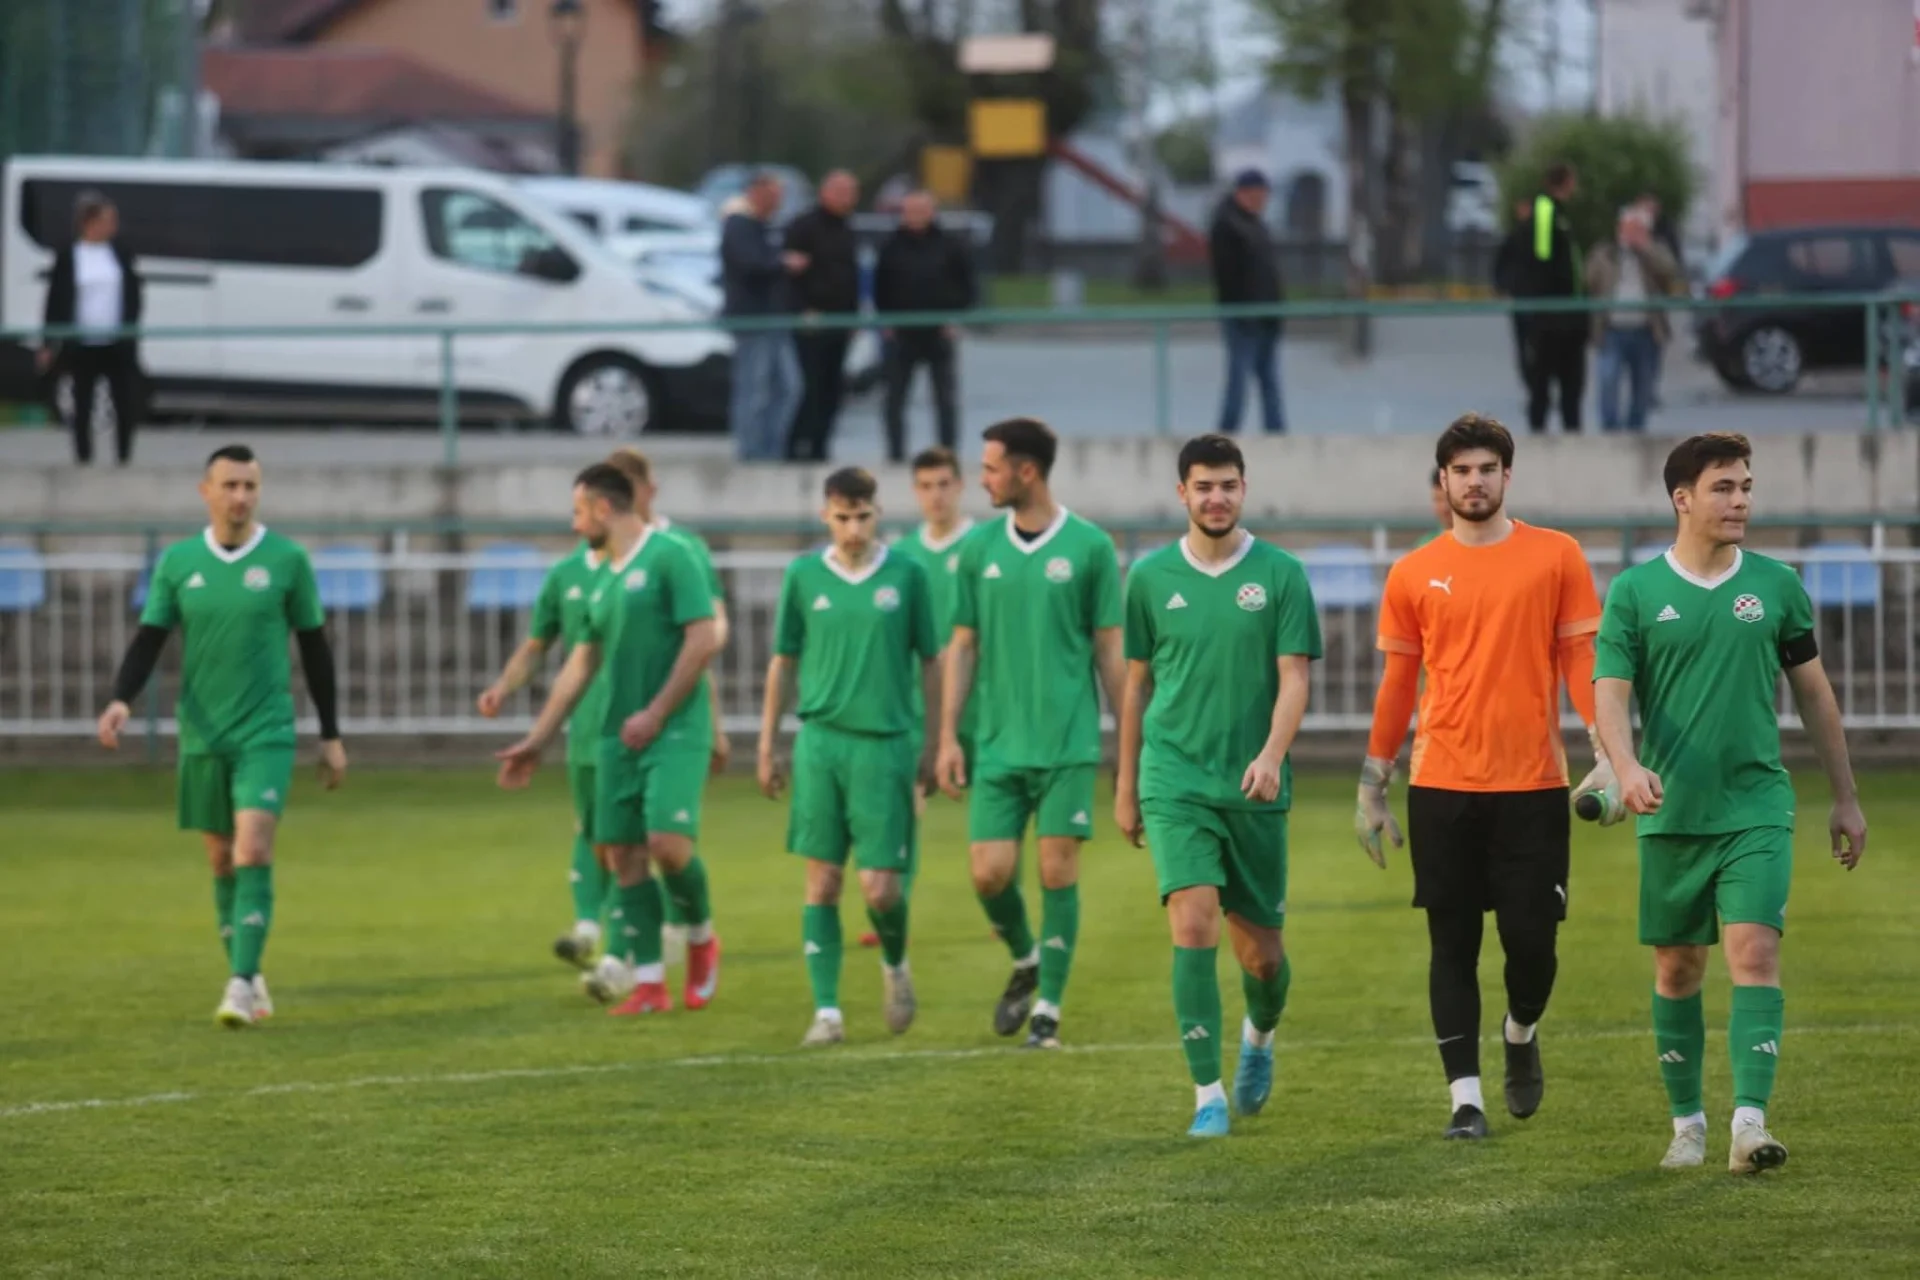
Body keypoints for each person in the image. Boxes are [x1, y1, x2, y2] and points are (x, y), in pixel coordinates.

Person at [1593, 432, 1866, 1174]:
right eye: (1724, 487)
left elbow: (1815, 696)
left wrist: (1845, 797)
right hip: (1670, 812)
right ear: (1682, 499)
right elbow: (1609, 695)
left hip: (1757, 807)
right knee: (1678, 970)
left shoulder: (1776, 585)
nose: (1741, 499)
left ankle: (1750, 1125)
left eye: (1746, 486)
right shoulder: (1635, 592)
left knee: (1755, 951)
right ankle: (1688, 1126)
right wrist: (1626, 765)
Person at [1355, 413, 1609, 1141]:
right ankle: (1464, 1101)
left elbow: (1580, 661)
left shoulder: (1557, 556)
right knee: (1452, 945)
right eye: (1461, 471)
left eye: (1487, 469)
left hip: (1533, 787)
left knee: (1533, 946)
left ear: (1507, 475)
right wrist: (1373, 785)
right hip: (1442, 786)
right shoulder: (1412, 572)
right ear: (1443, 481)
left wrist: (1608, 747)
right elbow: (1397, 686)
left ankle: (1521, 1030)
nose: (1474, 482)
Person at [95, 444, 347, 1026]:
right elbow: (150, 638)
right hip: (204, 734)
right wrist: (120, 699)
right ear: (205, 491)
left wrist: (331, 735)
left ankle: (238, 984)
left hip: (266, 731)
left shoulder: (287, 560)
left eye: (249, 486)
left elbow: (315, 649)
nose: (240, 496)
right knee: (221, 861)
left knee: (252, 848)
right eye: (229, 485)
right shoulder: (179, 562)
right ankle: (250, 974)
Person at [1115, 433, 1322, 1137]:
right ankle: (1207, 1094)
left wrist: (1271, 755)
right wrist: (1126, 785)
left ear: (1244, 489)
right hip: (1174, 779)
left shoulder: (1281, 574)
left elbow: (1295, 678)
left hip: (1254, 787)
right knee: (1193, 921)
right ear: (1182, 493)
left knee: (1262, 958)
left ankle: (1259, 1035)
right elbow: (1135, 686)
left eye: (1228, 485)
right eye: (1203, 486)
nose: (1216, 498)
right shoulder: (1149, 578)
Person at [474, 448, 730, 975]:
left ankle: (694, 931)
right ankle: (631, 967)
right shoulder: (590, 574)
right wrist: (535, 736)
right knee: (613, 847)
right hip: (606, 730)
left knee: (666, 844)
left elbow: (706, 637)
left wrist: (679, 716)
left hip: (669, 726)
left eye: (578, 512)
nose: (573, 524)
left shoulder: (676, 554)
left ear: (603, 507)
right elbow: (574, 660)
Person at [937, 417, 1126, 1049]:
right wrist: (947, 737)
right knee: (988, 875)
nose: (982, 480)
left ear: (1027, 471)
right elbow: (962, 646)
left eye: (991, 468)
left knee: (1055, 869)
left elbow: (1109, 651)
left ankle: (1048, 1011)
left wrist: (1129, 743)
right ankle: (1027, 957)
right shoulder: (978, 550)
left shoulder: (1090, 547)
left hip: (1067, 742)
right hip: (996, 743)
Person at [759, 467, 941, 1045]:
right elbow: (784, 661)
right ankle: (827, 1013)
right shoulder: (803, 574)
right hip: (820, 743)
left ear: (878, 513)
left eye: (863, 517)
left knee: (881, 888)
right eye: (843, 518)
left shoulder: (907, 575)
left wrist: (935, 741)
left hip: (885, 745)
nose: (854, 529)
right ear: (826, 516)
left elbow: (931, 661)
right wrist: (767, 744)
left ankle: (895, 964)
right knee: (823, 880)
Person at [861, 445, 976, 948]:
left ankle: (1002, 900)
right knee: (904, 803)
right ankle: (893, 904)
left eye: (944, 484)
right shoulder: (903, 555)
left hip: (981, 702)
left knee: (998, 805)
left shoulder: (981, 546)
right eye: (926, 486)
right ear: (915, 491)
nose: (936, 495)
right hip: (916, 704)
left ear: (960, 486)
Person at [40, 191, 143, 466]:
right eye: (108, 220)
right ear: (89, 223)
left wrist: (131, 328)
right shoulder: (70, 255)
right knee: (82, 401)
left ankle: (123, 455)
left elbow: (133, 293)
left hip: (116, 342)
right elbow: (55, 300)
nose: (113, 226)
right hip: (81, 343)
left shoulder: (120, 253)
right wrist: (48, 342)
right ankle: (84, 456)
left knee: (124, 400)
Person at [875, 191, 977, 462]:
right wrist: (886, 321)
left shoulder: (951, 245)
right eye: (910, 211)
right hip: (901, 334)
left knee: (945, 399)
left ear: (932, 212)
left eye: (921, 210)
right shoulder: (890, 246)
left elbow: (968, 286)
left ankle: (947, 455)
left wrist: (954, 318)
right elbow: (879, 288)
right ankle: (895, 456)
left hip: (939, 332)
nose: (916, 216)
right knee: (894, 399)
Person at [721, 171, 806, 461]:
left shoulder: (768, 227)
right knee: (753, 390)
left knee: (789, 388)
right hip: (753, 321)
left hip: (777, 320)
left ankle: (771, 451)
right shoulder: (738, 226)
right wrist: (782, 262)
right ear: (755, 193)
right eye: (772, 196)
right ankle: (750, 454)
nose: (777, 203)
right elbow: (750, 264)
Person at [784, 170, 862, 462]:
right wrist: (802, 309)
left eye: (851, 193)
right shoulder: (803, 227)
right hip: (810, 322)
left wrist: (854, 316)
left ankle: (820, 446)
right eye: (841, 192)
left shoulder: (848, 229)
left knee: (832, 388)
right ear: (824, 192)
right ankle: (795, 446)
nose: (846, 199)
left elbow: (851, 277)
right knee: (808, 387)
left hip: (841, 321)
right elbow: (789, 277)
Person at [1586, 206, 1681, 432]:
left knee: (1643, 386)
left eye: (1637, 229)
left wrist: (1646, 249)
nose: (1630, 234)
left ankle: (1635, 429)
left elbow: (1670, 271)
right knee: (1608, 379)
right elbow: (1590, 279)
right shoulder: (1605, 252)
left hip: (1646, 330)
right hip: (1612, 329)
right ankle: (1610, 429)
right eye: (1627, 229)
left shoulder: (1655, 251)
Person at [1208, 169, 1286, 436]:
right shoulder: (1228, 226)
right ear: (1243, 194)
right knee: (1238, 380)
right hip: (1243, 318)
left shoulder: (1256, 225)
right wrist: (1242, 312)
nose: (1262, 201)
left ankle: (1276, 433)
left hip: (1266, 316)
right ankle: (1226, 435)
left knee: (1269, 380)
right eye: (1258, 195)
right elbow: (1227, 276)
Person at [1516, 163, 1585, 434]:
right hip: (1552, 316)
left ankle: (1571, 433)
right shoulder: (1546, 209)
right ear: (1565, 182)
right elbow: (1542, 257)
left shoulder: (1560, 212)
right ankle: (1539, 432)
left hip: (1565, 314)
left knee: (1571, 382)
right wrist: (1548, 303)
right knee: (1543, 380)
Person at [1492, 198, 1534, 396]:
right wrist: (1503, 286)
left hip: (1536, 300)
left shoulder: (1538, 238)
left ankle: (1537, 384)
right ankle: (1530, 384)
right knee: (1523, 345)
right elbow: (1501, 264)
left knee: (1536, 345)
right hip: (1520, 298)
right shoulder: (1514, 237)